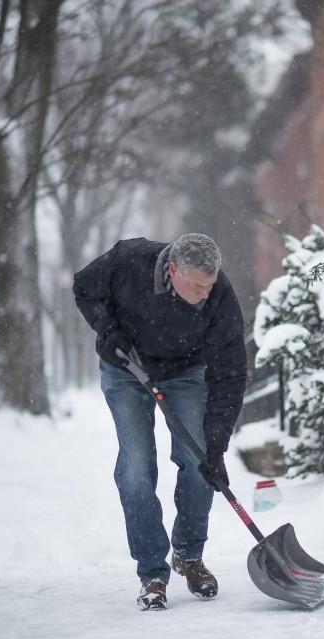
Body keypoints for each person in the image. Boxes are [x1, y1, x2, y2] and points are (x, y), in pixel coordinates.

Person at [72, 233, 247, 611]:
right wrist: (108, 329)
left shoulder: (219, 296)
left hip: (185, 370)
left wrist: (215, 447)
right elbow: (83, 287)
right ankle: (152, 571)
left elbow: (230, 374)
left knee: (200, 462)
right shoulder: (129, 261)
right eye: (197, 286)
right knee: (136, 467)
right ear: (172, 270)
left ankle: (188, 553)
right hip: (127, 366)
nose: (205, 293)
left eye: (210, 284)